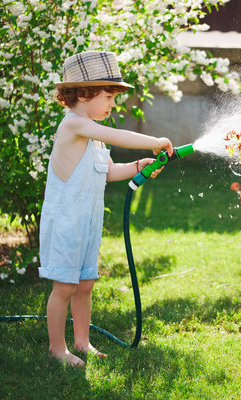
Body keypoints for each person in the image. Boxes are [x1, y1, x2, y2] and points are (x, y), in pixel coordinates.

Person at [39, 50, 173, 366]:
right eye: (109, 96)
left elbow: (109, 172)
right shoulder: (73, 125)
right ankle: (57, 350)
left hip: (88, 220)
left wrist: (139, 164)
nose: (113, 104)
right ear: (85, 93)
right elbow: (116, 133)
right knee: (65, 286)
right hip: (67, 222)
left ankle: (82, 342)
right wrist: (154, 140)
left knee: (85, 284)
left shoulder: (94, 136)